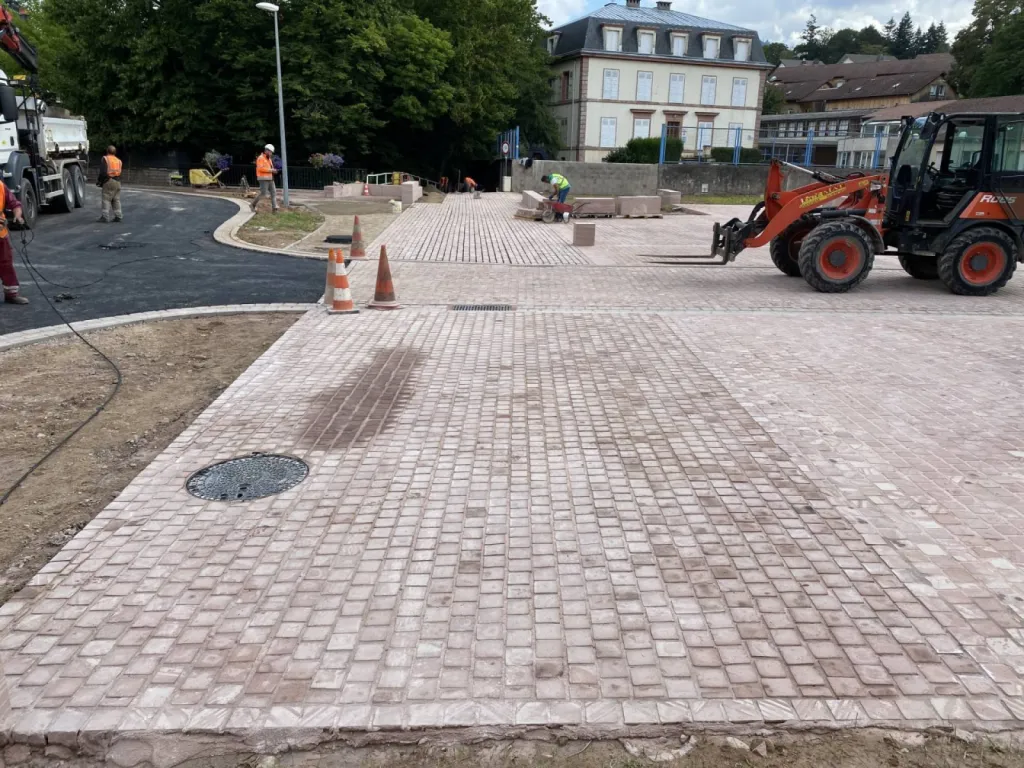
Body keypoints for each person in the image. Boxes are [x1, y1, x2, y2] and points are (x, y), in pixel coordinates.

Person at [0, 181, 27, 304]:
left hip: (1, 234)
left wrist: (18, 215)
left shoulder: (1, 186)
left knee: (6, 264)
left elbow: (14, 203)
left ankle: (11, 294)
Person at [97, 145, 123, 223]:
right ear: (115, 152)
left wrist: (100, 181)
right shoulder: (119, 161)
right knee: (116, 199)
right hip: (118, 181)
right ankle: (118, 216)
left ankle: (105, 217)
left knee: (106, 199)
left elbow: (103, 172)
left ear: (107, 151)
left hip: (109, 181)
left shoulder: (106, 159)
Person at [251, 144, 279, 213]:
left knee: (273, 193)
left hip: (270, 178)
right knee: (263, 193)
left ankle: (274, 209)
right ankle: (253, 205)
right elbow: (260, 168)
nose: (271, 153)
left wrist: (273, 170)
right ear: (266, 150)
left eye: (272, 152)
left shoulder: (269, 159)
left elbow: (270, 168)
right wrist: (271, 170)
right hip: (263, 178)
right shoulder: (260, 158)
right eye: (270, 152)